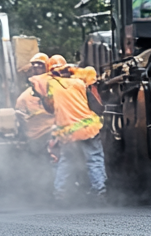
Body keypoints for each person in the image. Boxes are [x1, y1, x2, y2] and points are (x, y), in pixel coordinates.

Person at [43, 57, 106, 203]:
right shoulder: (79, 83)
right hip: (88, 128)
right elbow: (96, 105)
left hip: (68, 131)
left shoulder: (51, 86)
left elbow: (49, 108)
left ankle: (60, 193)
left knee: (66, 161)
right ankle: (99, 191)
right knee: (94, 159)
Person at [14, 53, 56, 141]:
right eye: (35, 67)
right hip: (40, 139)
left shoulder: (58, 91)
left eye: (40, 66)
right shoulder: (24, 98)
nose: (37, 69)